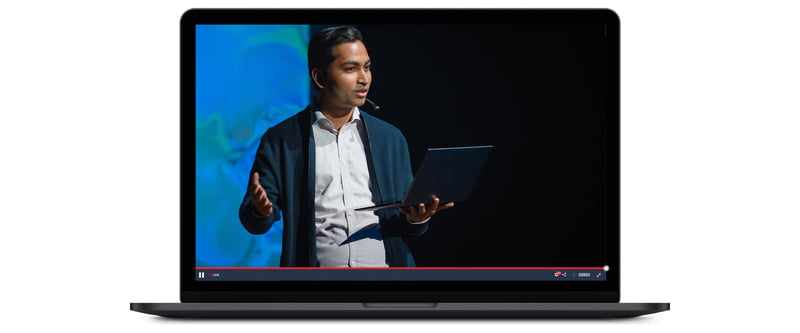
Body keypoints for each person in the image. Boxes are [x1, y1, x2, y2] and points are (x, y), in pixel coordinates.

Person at [239, 26, 453, 267]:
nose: (364, 78)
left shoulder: (390, 138)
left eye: (367, 67)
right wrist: (260, 209)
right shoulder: (281, 139)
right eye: (350, 69)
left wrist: (417, 218)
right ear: (319, 77)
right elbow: (255, 222)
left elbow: (407, 226)